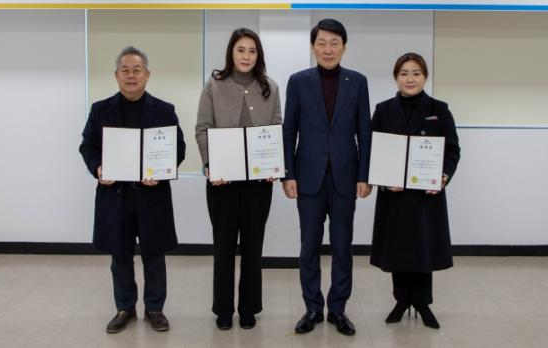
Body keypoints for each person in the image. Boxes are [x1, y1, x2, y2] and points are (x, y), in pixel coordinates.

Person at [79, 46, 186, 333]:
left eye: (136, 70)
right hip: (115, 196)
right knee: (120, 256)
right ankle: (124, 308)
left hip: (151, 195)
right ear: (116, 76)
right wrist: (98, 168)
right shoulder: (100, 110)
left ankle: (155, 308)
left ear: (147, 75)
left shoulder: (164, 110)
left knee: (154, 255)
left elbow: (178, 148)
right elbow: (87, 146)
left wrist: (161, 172)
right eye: (125, 70)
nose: (131, 75)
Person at [282, 19, 372, 336]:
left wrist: (365, 175)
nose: (328, 49)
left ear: (344, 47)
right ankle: (311, 308)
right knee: (309, 245)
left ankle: (338, 309)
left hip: (346, 177)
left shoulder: (357, 82)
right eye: (321, 43)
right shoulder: (298, 81)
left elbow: (364, 131)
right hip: (308, 176)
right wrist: (288, 174)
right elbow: (289, 130)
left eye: (334, 43)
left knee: (342, 246)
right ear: (313, 47)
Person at [195, 28, 282, 331]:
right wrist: (210, 165)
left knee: (253, 248)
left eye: (252, 51)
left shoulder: (270, 87)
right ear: (231, 52)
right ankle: (223, 309)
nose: (246, 56)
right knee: (223, 248)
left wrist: (274, 164)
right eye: (241, 50)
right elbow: (202, 127)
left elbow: (276, 127)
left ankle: (248, 308)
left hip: (258, 185)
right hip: (223, 183)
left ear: (259, 55)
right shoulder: (214, 86)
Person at [370, 52, 460, 329]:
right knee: (398, 249)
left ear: (425, 77)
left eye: (416, 73)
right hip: (394, 194)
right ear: (396, 78)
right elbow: (373, 150)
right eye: (404, 73)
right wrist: (383, 180)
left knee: (423, 248)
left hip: (426, 196)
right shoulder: (383, 110)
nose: (410, 79)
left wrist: (443, 177)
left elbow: (452, 149)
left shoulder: (439, 109)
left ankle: (422, 302)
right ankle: (401, 300)